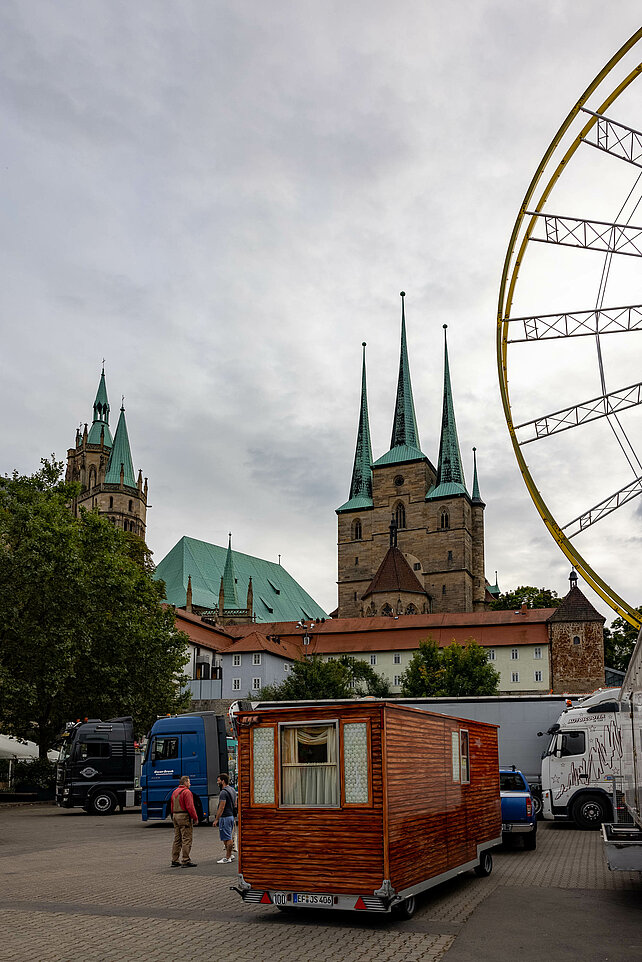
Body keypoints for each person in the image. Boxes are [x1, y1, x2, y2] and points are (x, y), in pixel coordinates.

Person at [170, 775, 199, 867]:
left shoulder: (175, 791)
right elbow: (190, 807)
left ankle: (175, 860)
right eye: (189, 782)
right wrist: (195, 818)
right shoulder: (187, 792)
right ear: (185, 783)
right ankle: (185, 860)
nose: (190, 784)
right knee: (186, 838)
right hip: (184, 816)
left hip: (175, 815)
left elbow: (171, 805)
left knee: (177, 839)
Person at [214, 772, 236, 863]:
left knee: (227, 838)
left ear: (223, 781)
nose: (217, 782)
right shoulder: (232, 790)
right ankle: (230, 854)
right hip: (230, 816)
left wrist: (216, 819)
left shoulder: (223, 792)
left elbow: (221, 806)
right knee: (227, 836)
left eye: (218, 781)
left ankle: (227, 857)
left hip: (225, 817)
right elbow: (235, 803)